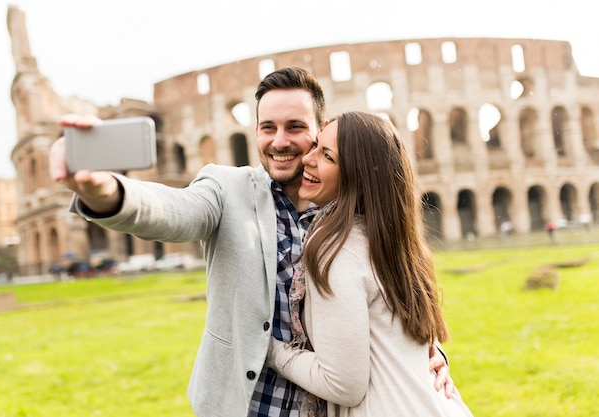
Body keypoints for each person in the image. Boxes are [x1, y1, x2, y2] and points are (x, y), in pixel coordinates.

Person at [49, 68, 454, 416]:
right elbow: (170, 211)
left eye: (295, 127)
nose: (279, 141)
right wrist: (104, 191)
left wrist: (426, 355)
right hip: (246, 406)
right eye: (267, 128)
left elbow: (394, 289)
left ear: (320, 132)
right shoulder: (228, 189)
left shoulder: (347, 214)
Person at [267, 111, 473, 416]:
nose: (307, 160)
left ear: (358, 175)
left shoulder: (335, 250)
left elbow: (342, 385)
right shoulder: (394, 242)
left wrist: (271, 351)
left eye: (327, 157)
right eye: (315, 147)